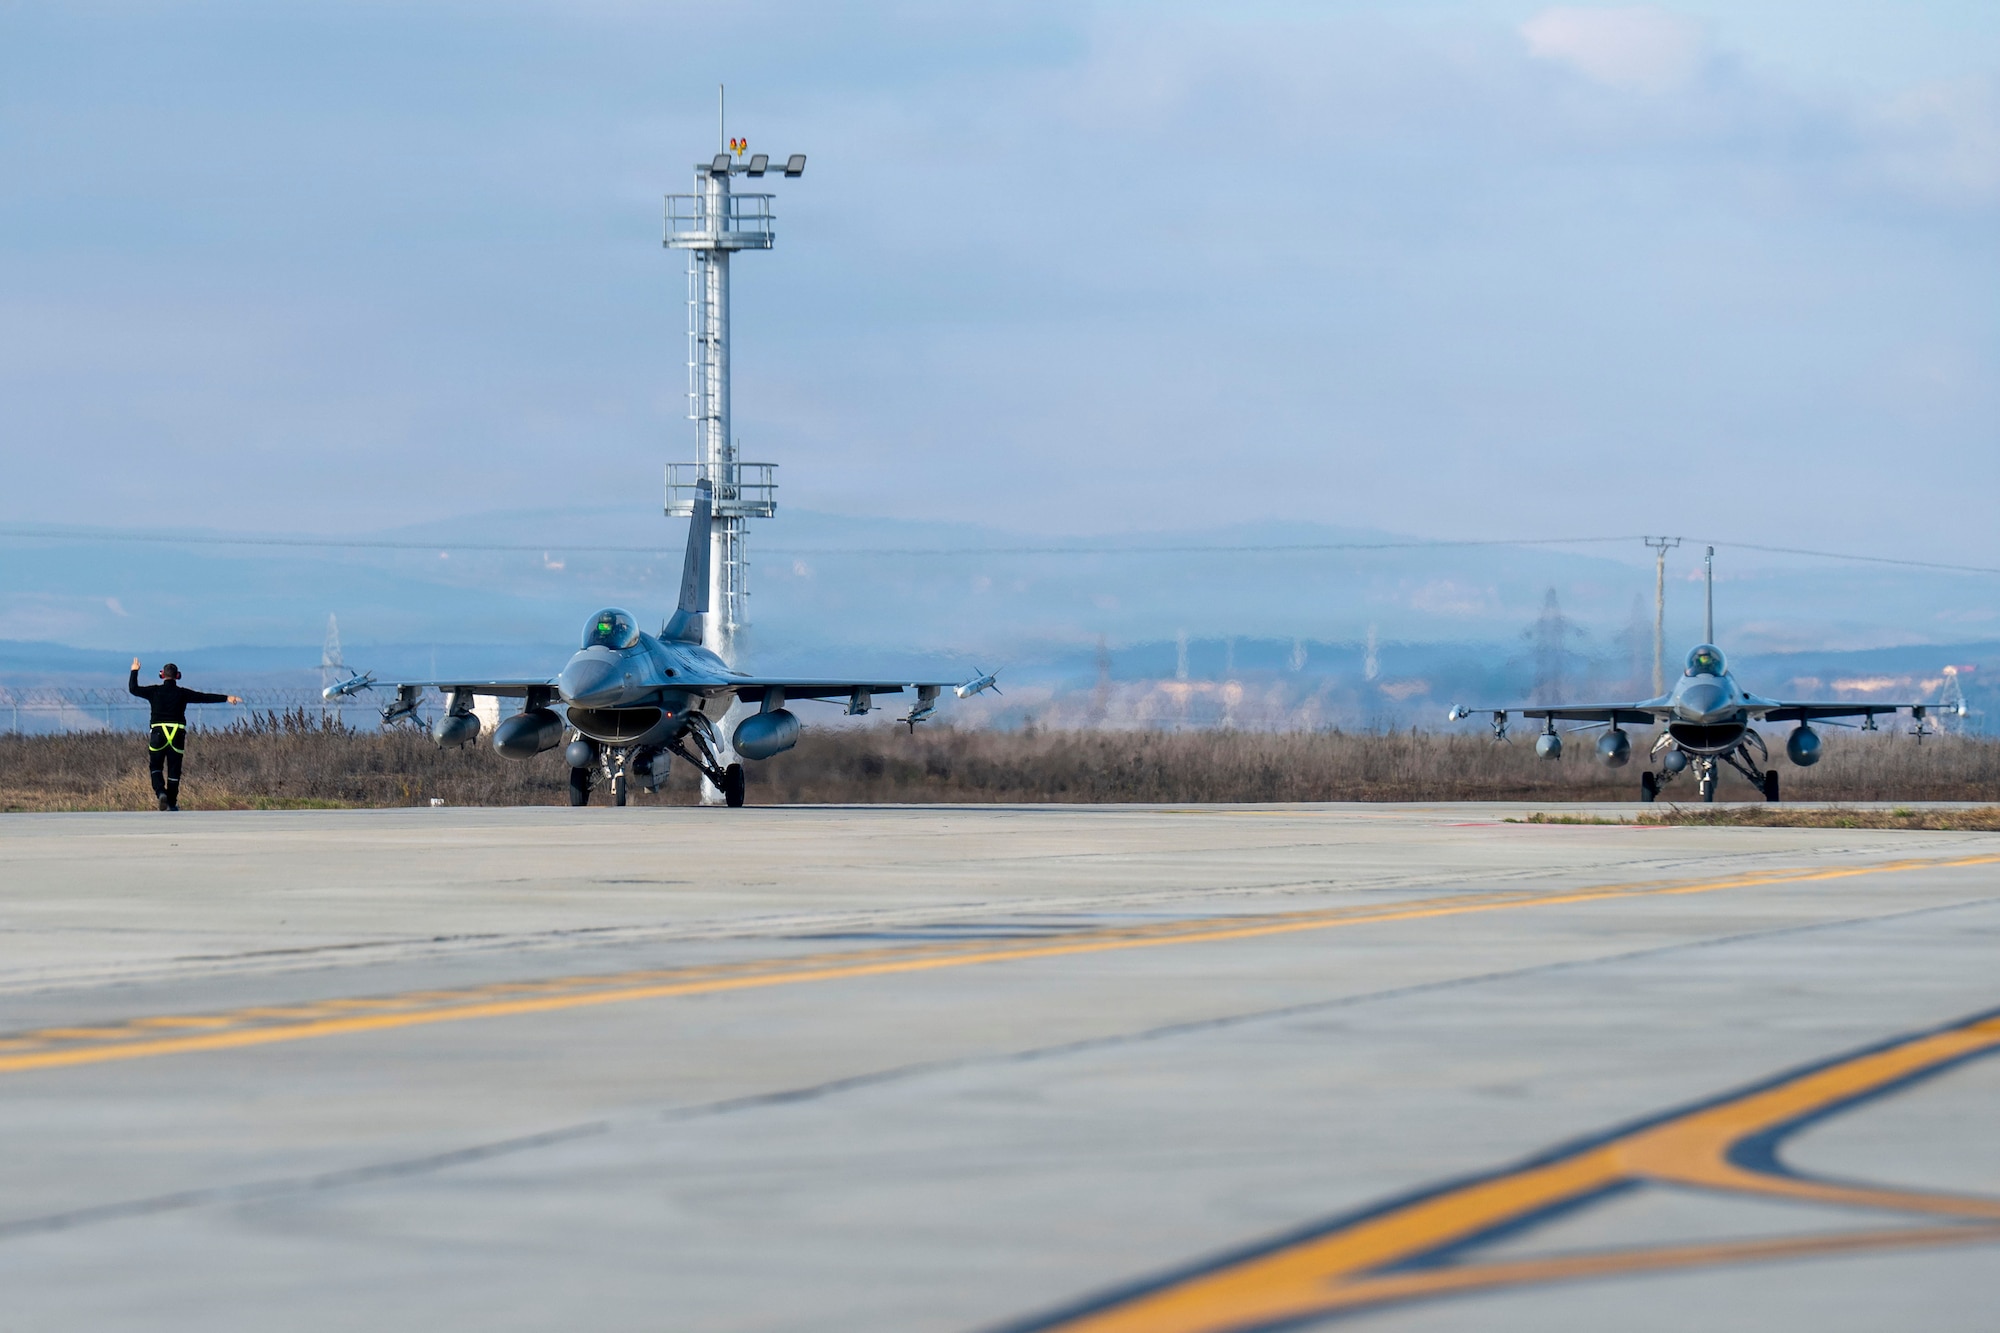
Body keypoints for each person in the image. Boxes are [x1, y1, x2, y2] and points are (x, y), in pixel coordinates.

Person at [128, 659, 241, 811]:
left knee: (155, 767)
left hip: (158, 733)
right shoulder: (183, 693)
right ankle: (172, 802)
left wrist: (134, 670)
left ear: (162, 675)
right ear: (178, 676)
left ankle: (161, 792)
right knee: (174, 770)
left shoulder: (153, 691)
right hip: (177, 734)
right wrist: (226, 698)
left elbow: (133, 689)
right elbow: (203, 697)